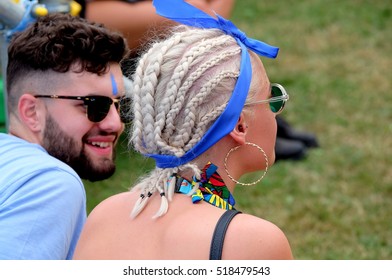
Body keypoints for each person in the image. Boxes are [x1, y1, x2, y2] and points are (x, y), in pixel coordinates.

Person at [73, 0, 293, 260]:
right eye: (273, 99)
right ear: (239, 125)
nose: (277, 113)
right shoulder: (253, 242)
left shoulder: (104, 216)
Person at [0, 13, 130, 259]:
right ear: (32, 112)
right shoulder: (50, 183)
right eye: (94, 105)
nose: (115, 123)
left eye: (118, 105)